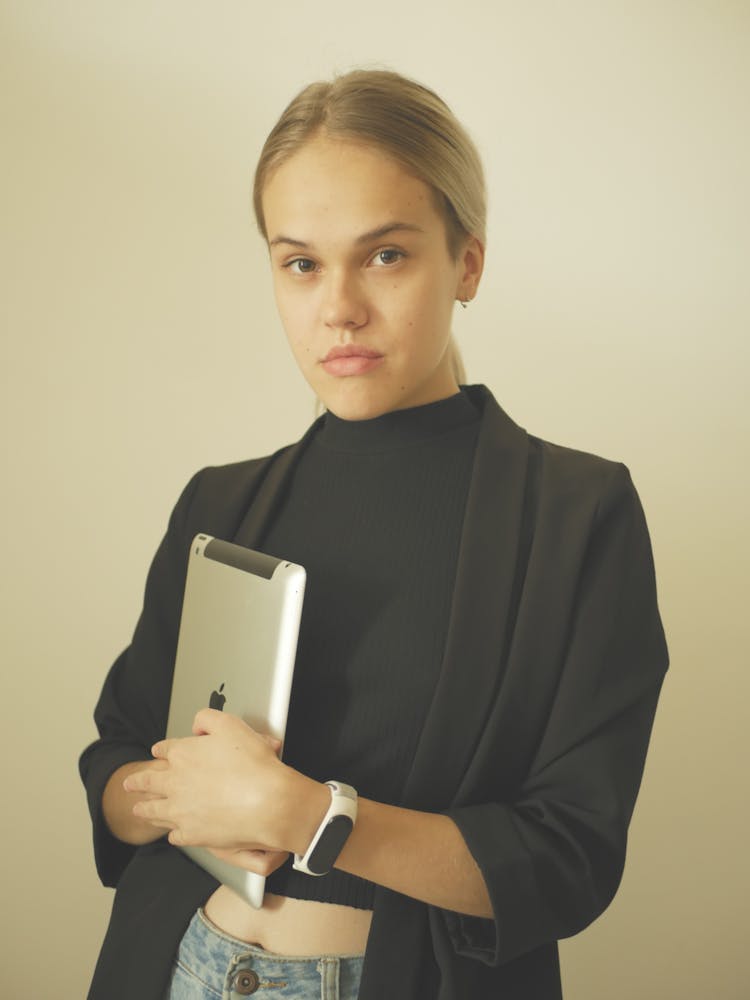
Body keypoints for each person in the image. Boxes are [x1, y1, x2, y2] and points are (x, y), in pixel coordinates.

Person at [80, 69, 668, 1000]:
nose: (339, 307)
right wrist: (168, 798)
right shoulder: (218, 505)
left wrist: (310, 817)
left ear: (467, 261)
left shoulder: (576, 515)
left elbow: (567, 857)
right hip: (173, 966)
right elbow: (115, 755)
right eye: (300, 262)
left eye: (385, 256)